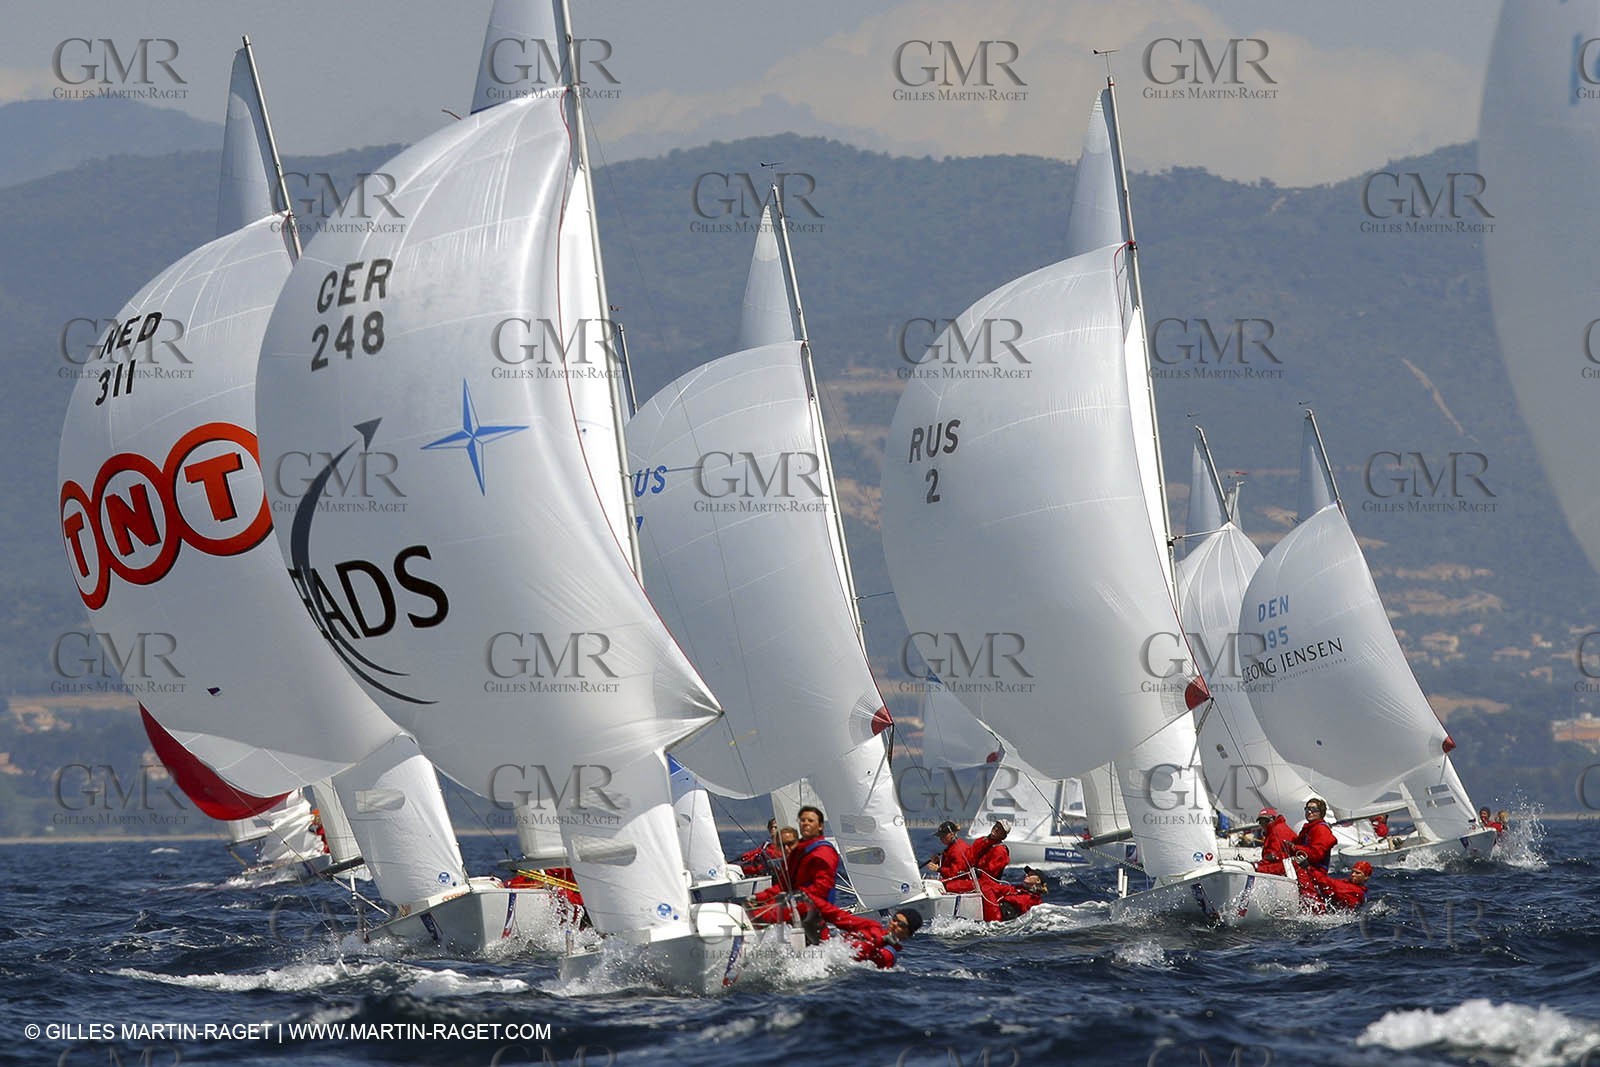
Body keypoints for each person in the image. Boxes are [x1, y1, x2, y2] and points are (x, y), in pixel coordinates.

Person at [748, 806, 839, 922]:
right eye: (782, 845)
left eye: (790, 844)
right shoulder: (791, 861)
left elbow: (820, 887)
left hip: (816, 913)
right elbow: (782, 888)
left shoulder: (820, 853)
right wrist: (758, 899)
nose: (786, 849)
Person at [803, 899, 921, 968]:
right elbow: (841, 918)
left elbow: (858, 957)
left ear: (908, 934)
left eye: (901, 925)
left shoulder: (889, 955)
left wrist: (881, 942)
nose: (895, 924)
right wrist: (813, 902)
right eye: (895, 919)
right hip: (822, 946)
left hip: (828, 962)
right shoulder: (872, 926)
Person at [1296, 860, 1371, 912]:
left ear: (1366, 877)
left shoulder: (1356, 891)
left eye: (1358, 873)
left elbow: (1329, 885)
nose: (1353, 875)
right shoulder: (1347, 883)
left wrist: (1309, 868)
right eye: (1352, 872)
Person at [1288, 797, 1337, 873]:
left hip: (1314, 873)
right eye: (1307, 809)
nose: (1309, 812)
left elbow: (1316, 854)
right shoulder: (1309, 828)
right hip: (1303, 869)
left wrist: (1295, 848)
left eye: (1314, 809)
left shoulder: (1321, 829)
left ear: (1321, 812)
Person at [983, 866, 1048, 922]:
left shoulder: (1034, 900)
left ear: (1038, 881)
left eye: (1031, 874)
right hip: (996, 913)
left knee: (986, 889)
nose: (1026, 875)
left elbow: (1020, 903)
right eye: (1027, 873)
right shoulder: (1018, 889)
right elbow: (998, 887)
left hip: (998, 919)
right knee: (983, 884)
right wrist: (982, 875)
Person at [926, 820, 975, 886]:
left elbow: (956, 873)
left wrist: (938, 869)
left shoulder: (958, 850)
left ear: (952, 834)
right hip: (954, 880)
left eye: (943, 836)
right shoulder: (952, 847)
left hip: (961, 883)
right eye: (940, 836)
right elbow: (950, 866)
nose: (941, 838)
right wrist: (938, 862)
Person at [1253, 807, 1297, 875]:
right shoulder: (1276, 829)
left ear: (1273, 819)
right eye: (1260, 822)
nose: (1263, 824)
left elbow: (1274, 857)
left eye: (1266, 821)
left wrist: (1257, 866)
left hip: (1286, 872)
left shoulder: (1276, 831)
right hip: (1285, 869)